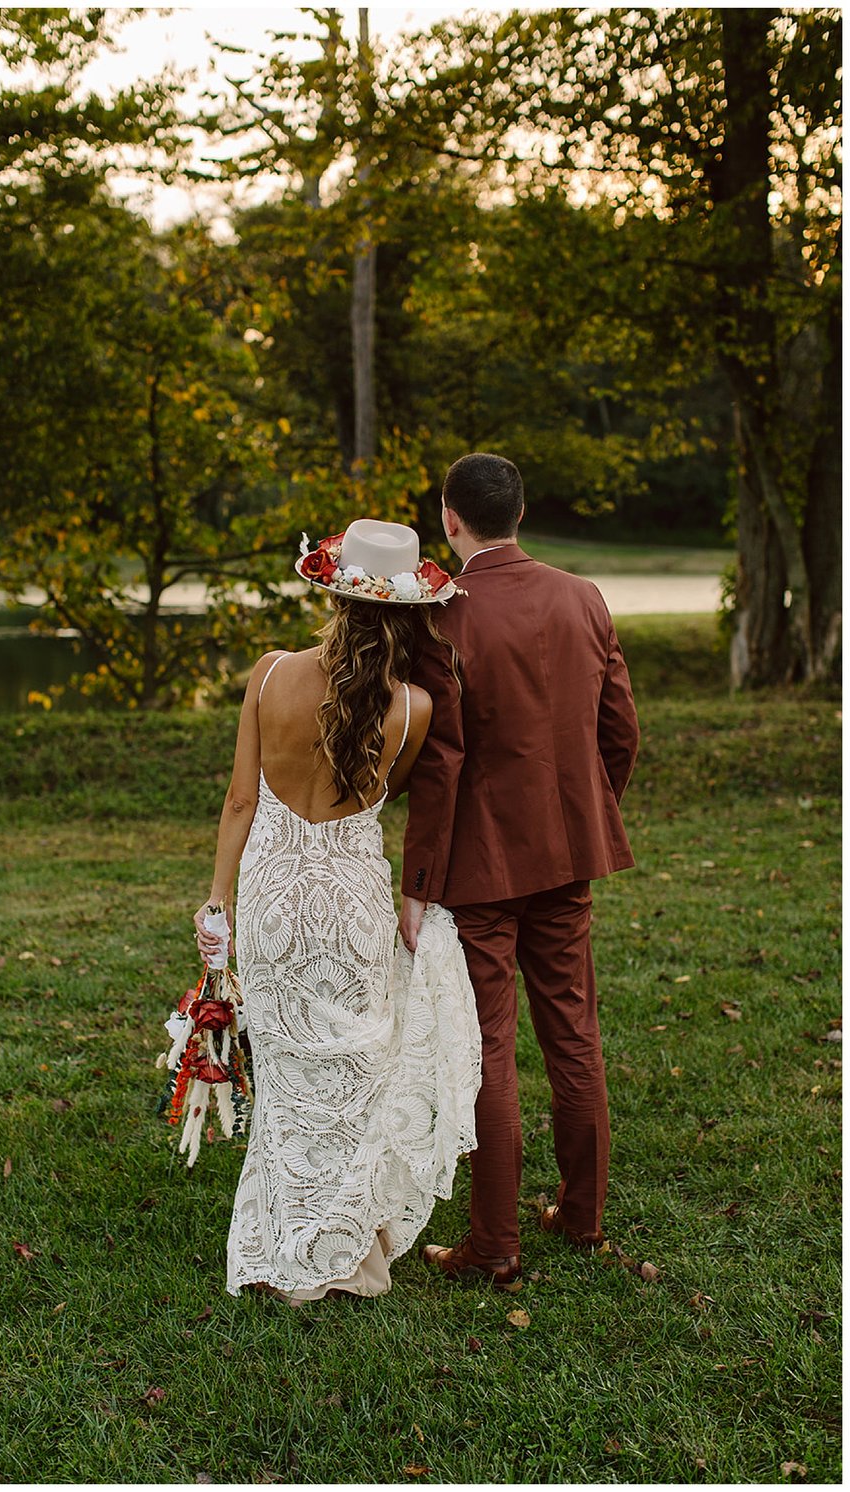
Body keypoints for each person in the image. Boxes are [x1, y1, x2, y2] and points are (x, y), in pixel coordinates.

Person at [194, 519, 482, 1306]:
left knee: (286, 1076)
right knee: (357, 1074)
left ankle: (279, 1247)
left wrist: (217, 900)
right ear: (408, 614)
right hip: (351, 898)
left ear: (331, 593)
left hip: (275, 896)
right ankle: (352, 1261)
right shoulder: (416, 707)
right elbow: (393, 789)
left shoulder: (267, 675)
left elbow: (240, 800)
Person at [398, 452, 640, 1289]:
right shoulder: (584, 596)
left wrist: (417, 882)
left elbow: (440, 767)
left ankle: (495, 1246)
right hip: (567, 854)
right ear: (522, 512)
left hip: (483, 867)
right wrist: (586, 809)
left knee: (490, 1045)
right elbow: (621, 731)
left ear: (449, 519)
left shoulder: (444, 619)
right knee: (573, 1031)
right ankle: (582, 1217)